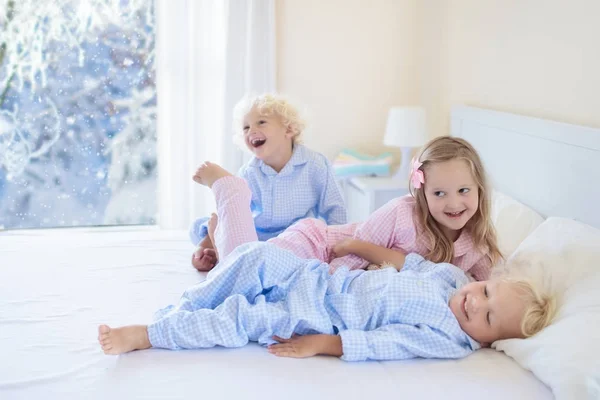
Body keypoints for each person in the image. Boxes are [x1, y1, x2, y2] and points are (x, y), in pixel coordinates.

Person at [98, 242, 555, 361]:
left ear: (490, 341)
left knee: (245, 318)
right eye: (487, 292)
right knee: (255, 256)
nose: (476, 303)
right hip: (321, 279)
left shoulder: (451, 339)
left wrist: (320, 344)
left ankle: (152, 334)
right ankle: (187, 306)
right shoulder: (452, 276)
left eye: (489, 318)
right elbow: (407, 261)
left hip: (320, 314)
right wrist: (361, 245)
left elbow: (384, 344)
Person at [194, 136, 502, 281]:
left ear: (479, 189)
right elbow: (347, 251)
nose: (453, 203)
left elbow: (495, 287)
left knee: (239, 276)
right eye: (439, 193)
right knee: (245, 275)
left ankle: (218, 235)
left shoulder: (477, 246)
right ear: (422, 192)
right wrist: (325, 287)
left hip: (323, 260)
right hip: (318, 247)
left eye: (464, 191)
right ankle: (230, 189)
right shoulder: (402, 214)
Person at [190, 93, 346, 272]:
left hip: (299, 237)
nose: (251, 130)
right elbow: (238, 214)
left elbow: (334, 208)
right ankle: (210, 245)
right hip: (260, 238)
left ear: (288, 130)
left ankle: (223, 247)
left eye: (261, 122)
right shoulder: (248, 172)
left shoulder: (315, 164)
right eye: (246, 127)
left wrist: (338, 245)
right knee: (220, 220)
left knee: (307, 246)